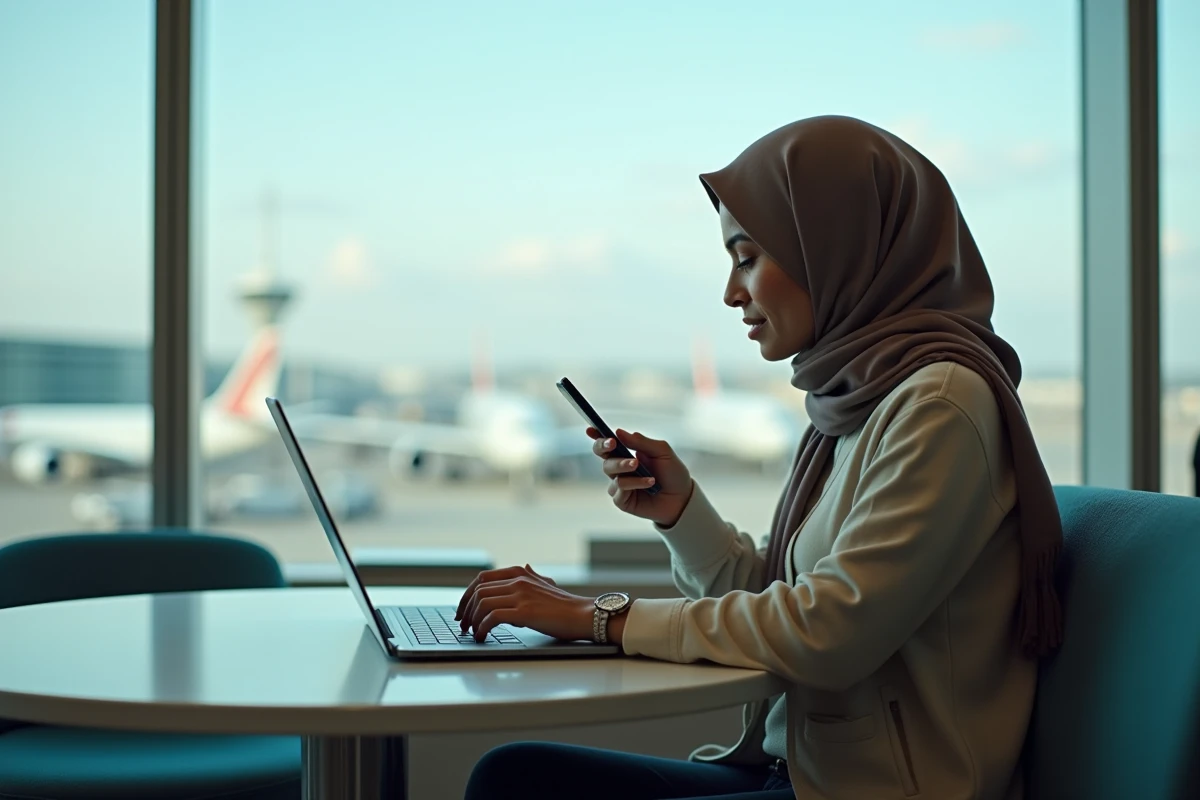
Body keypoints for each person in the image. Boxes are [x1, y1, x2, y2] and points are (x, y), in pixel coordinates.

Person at [456, 116, 1064, 800]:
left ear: (834, 249)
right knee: (516, 776)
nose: (732, 292)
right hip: (799, 771)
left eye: (747, 257)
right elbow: (785, 598)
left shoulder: (940, 405)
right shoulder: (859, 398)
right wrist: (683, 513)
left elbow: (829, 632)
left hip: (875, 790)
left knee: (517, 784)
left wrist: (603, 616)